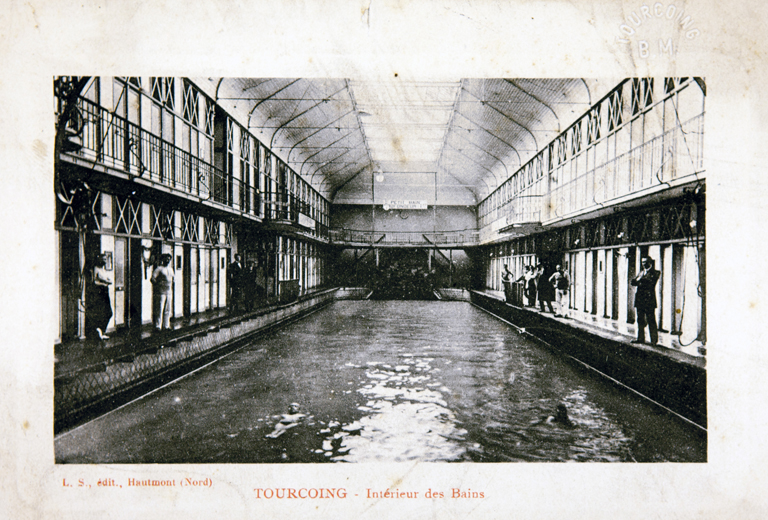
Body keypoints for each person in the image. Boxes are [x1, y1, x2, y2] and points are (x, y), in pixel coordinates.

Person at [630, 256, 661, 345]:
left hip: (649, 300)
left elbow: (650, 283)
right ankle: (640, 338)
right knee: (640, 320)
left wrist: (639, 282)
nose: (644, 264)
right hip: (640, 299)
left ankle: (654, 340)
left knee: (651, 319)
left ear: (650, 262)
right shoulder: (641, 272)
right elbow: (633, 282)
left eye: (646, 262)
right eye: (642, 262)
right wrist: (639, 282)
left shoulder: (655, 272)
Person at [88, 253, 113, 340]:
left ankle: (102, 330)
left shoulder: (103, 270)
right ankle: (99, 330)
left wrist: (105, 281)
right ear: (99, 260)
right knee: (100, 311)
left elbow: (110, 280)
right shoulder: (96, 269)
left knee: (109, 312)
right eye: (103, 259)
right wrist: (104, 281)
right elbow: (95, 281)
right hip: (99, 291)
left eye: (106, 260)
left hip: (105, 291)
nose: (104, 261)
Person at [151, 253, 174, 332]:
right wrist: (158, 285)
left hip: (169, 291)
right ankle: (158, 326)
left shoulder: (170, 269)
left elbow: (172, 279)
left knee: (168, 309)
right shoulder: (159, 269)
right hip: (161, 292)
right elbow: (152, 279)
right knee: (159, 309)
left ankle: (166, 326)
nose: (167, 261)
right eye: (166, 259)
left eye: (169, 259)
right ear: (163, 260)